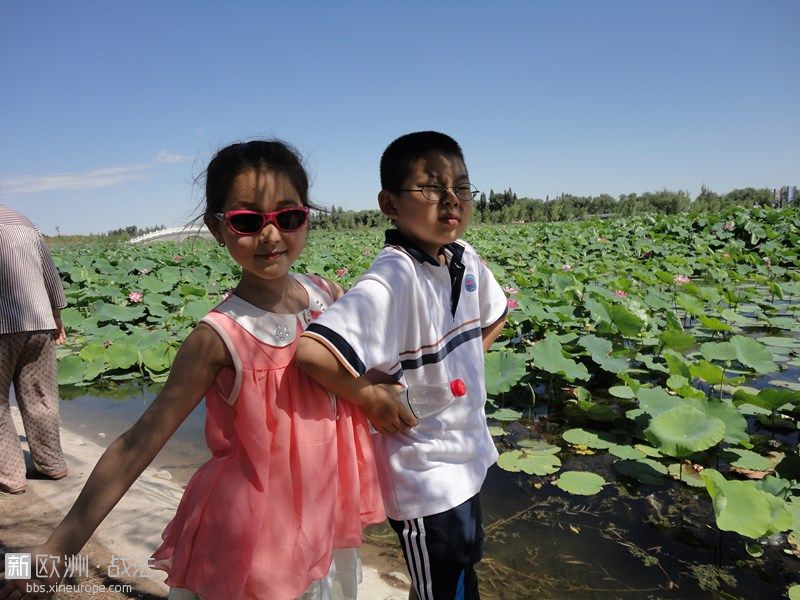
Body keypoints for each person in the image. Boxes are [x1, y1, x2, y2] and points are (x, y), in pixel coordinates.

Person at [0, 140, 384, 600]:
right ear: (217, 228)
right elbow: (138, 443)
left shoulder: (328, 295)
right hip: (253, 531)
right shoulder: (217, 337)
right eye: (246, 220)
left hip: (320, 514)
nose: (271, 235)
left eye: (288, 217)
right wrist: (58, 550)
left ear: (306, 217)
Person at [296, 131, 508, 600]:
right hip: (423, 472)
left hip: (469, 454)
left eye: (462, 187)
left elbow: (496, 315)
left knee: (460, 574)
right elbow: (312, 351)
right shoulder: (392, 277)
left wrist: (460, 368)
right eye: (431, 188)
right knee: (443, 588)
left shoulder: (465, 258)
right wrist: (369, 395)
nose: (451, 200)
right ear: (389, 204)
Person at [0, 203, 69, 495]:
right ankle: (51, 463)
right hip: (38, 321)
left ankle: (11, 475)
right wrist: (57, 316)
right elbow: (50, 275)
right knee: (41, 395)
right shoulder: (24, 222)